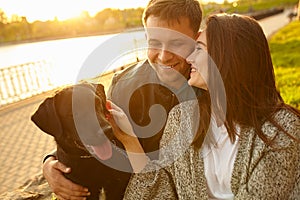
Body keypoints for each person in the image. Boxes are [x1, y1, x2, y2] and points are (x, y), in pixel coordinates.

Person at [109, 13, 300, 199]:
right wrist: (130, 140)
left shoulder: (282, 129)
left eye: (199, 49)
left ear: (226, 57)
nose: (190, 57)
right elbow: (160, 192)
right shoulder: (181, 118)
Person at [42, 0, 203, 199]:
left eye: (176, 43)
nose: (163, 56)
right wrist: (51, 161)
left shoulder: (213, 85)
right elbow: (96, 130)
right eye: (154, 42)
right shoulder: (123, 85)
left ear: (197, 39)